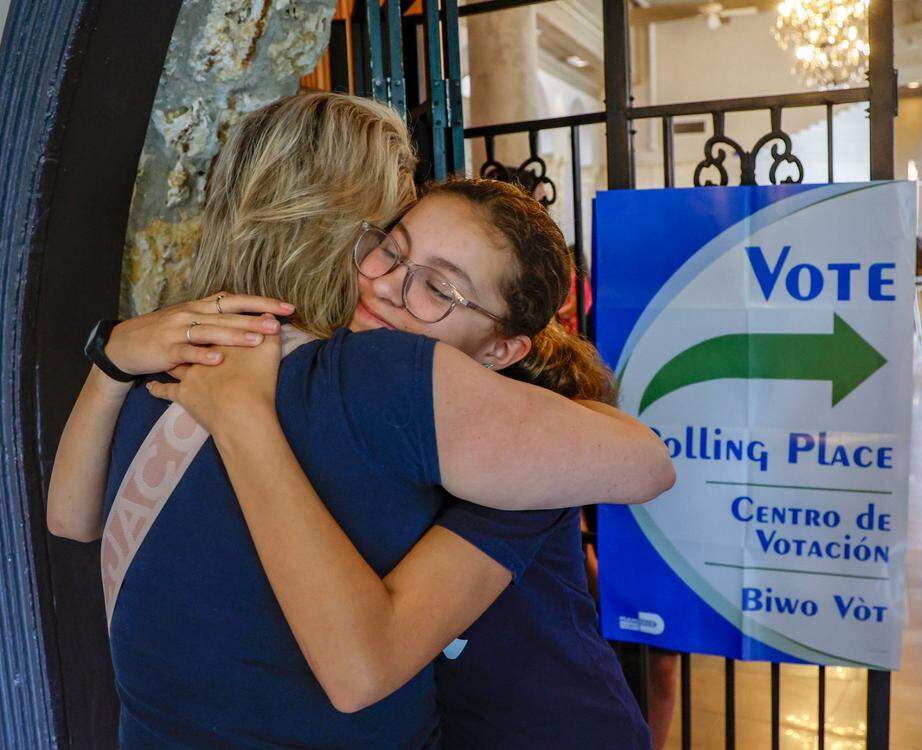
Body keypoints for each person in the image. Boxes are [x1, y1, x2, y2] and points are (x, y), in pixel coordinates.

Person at [47, 93, 670, 748]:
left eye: (438, 287)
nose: (386, 285)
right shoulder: (371, 376)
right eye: (390, 246)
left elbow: (69, 520)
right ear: (355, 229)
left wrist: (124, 367)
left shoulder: (172, 349)